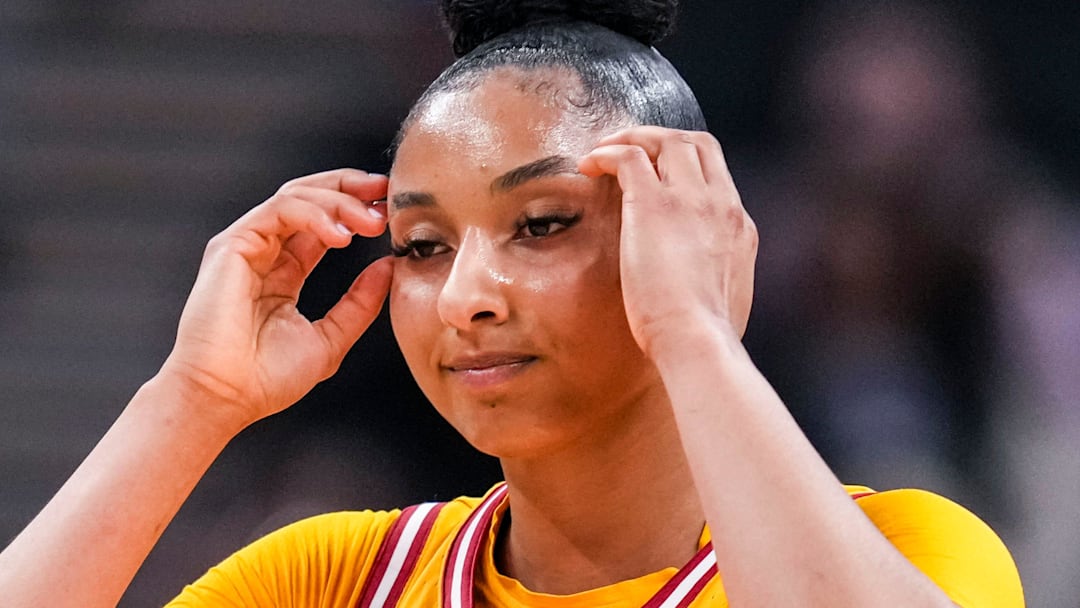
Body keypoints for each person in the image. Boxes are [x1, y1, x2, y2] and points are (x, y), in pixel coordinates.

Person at [0, 1, 1023, 606]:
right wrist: (190, 402)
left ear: (694, 229)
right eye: (423, 244)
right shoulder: (339, 575)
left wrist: (696, 334)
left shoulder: (909, 548)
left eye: (541, 224)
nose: (467, 295)